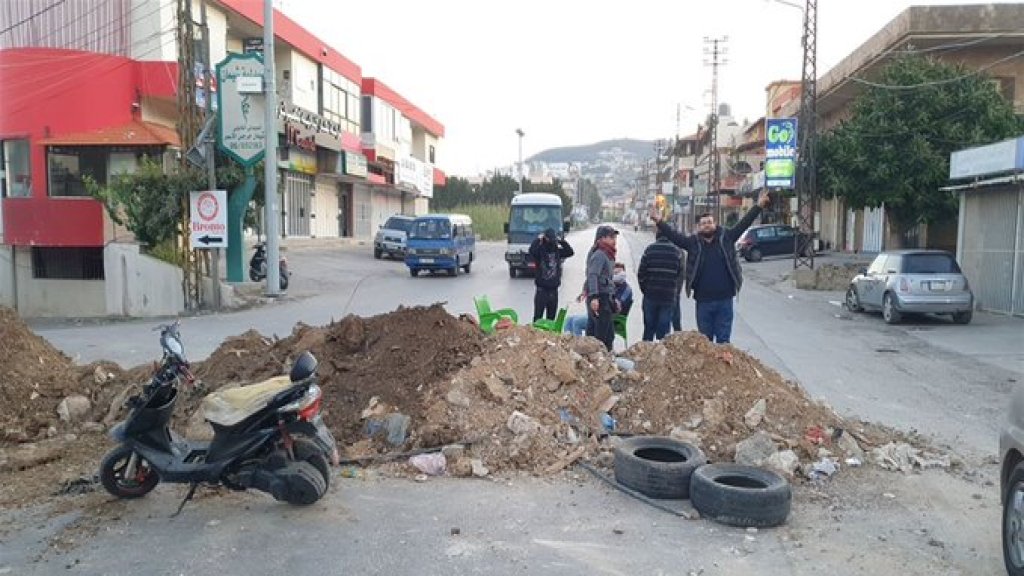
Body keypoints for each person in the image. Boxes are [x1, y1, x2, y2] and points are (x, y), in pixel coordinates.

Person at [650, 190, 771, 344]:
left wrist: (759, 206)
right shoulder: (693, 244)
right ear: (698, 228)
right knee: (705, 343)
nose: (707, 225)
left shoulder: (726, 238)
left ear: (715, 224)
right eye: (703, 223)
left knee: (723, 342)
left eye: (709, 222)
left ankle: (723, 368)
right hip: (703, 302)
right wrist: (659, 221)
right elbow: (674, 236)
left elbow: (744, 223)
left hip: (725, 300)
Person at [564, 262, 631, 337]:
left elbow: (617, 306)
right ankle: (567, 344)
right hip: (598, 313)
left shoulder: (626, 289)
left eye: (619, 273)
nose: (617, 275)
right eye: (614, 273)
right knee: (569, 320)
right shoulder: (610, 285)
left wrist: (603, 299)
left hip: (611, 318)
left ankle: (580, 345)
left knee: (577, 322)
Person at [637, 229, 682, 341]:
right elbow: (680, 275)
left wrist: (645, 289)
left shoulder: (649, 250)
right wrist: (674, 291)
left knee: (648, 328)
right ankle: (661, 352)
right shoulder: (677, 252)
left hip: (651, 295)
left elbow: (641, 273)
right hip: (668, 297)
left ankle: (646, 353)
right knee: (664, 329)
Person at [527, 228, 574, 321]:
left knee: (551, 319)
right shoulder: (539, 251)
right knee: (538, 317)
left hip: (553, 290)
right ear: (546, 238)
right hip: (542, 290)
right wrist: (538, 240)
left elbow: (570, 252)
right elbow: (531, 251)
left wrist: (561, 241)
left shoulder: (557, 251)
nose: (552, 242)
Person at [584, 225, 619, 350]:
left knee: (608, 335)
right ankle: (597, 362)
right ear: (602, 238)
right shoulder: (599, 254)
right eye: (611, 237)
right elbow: (592, 276)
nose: (614, 240)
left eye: (614, 237)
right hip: (599, 298)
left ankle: (605, 361)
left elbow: (607, 279)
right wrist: (594, 297)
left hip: (605, 297)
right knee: (600, 337)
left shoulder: (607, 253)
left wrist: (613, 298)